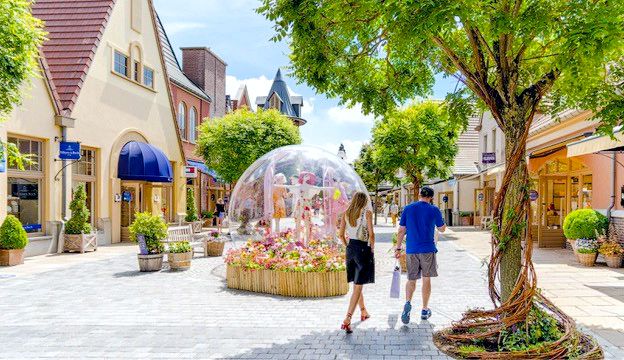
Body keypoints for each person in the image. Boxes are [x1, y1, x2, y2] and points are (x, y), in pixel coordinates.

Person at [394, 187, 446, 324]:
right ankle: (424, 309)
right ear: (432, 197)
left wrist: (398, 248)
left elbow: (401, 230)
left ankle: (407, 302)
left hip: (411, 249)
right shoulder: (434, 209)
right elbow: (442, 229)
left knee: (411, 280)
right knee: (426, 279)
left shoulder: (408, 208)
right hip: (427, 249)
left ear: (419, 195)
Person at [338, 191, 375, 333]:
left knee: (356, 284)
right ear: (365, 201)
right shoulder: (367, 213)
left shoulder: (346, 213)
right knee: (358, 286)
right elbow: (371, 235)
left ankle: (363, 311)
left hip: (350, 249)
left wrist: (347, 246)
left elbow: (341, 235)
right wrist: (372, 249)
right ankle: (347, 319)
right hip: (362, 249)